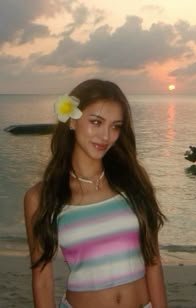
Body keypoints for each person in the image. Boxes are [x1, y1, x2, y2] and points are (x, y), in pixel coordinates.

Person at [24, 79, 167, 308]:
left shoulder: (133, 182)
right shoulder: (41, 197)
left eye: (115, 126)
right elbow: (42, 279)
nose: (106, 136)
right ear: (72, 120)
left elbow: (153, 260)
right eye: (96, 122)